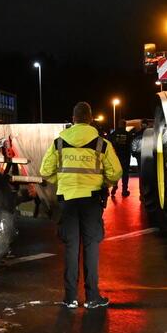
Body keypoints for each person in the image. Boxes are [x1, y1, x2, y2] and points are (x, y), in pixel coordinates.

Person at [40, 102, 123, 309]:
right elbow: (116, 172)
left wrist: (62, 182)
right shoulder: (102, 144)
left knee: (71, 247)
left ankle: (70, 298)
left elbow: (45, 171)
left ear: (73, 119)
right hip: (91, 201)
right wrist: (104, 183)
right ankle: (92, 297)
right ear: (91, 119)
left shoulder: (59, 143)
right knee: (91, 246)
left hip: (67, 200)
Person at [109, 119, 133, 197]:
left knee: (116, 172)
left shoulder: (113, 134)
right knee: (125, 174)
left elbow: (109, 145)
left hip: (115, 158)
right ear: (125, 125)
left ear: (118, 125)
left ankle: (114, 187)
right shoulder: (128, 135)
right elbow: (131, 145)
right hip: (125, 157)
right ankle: (124, 190)